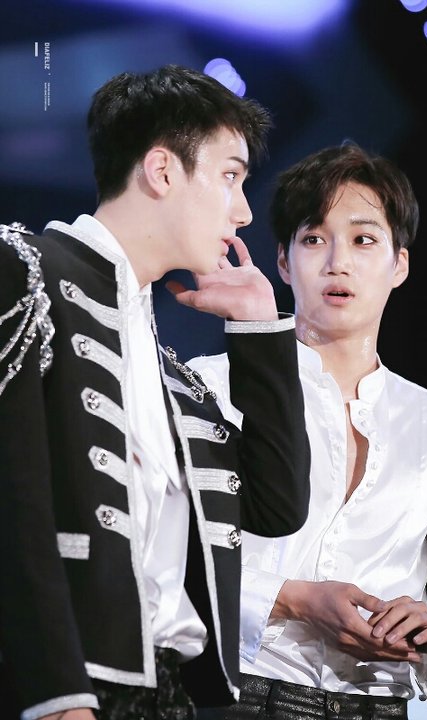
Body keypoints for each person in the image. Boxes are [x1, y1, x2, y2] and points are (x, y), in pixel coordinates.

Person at [0, 65, 311, 720]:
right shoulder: (23, 271)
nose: (244, 211)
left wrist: (260, 328)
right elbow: (12, 502)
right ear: (163, 171)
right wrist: (56, 696)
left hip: (167, 693)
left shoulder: (173, 378)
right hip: (63, 687)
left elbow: (276, 507)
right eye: (230, 176)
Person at [188, 142, 427, 720]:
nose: (337, 262)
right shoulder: (211, 388)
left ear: (399, 264)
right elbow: (164, 556)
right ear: (282, 261)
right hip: (235, 695)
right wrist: (292, 599)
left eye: (364, 240)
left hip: (380, 705)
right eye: (314, 239)